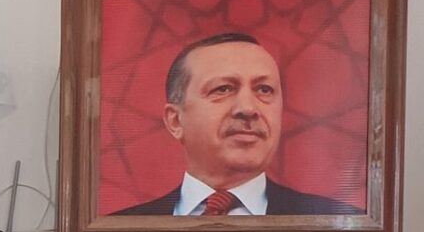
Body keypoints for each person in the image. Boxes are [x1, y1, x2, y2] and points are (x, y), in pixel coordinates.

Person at [115, 32, 363, 217]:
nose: (248, 108)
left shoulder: (334, 222)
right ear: (176, 120)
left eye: (264, 90)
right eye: (223, 89)